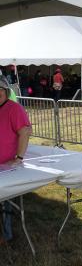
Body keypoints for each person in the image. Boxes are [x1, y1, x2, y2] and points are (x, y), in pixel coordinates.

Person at [0, 75, 32, 244]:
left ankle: (6, 235)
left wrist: (19, 158)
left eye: (0, 90)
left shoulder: (14, 108)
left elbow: (25, 132)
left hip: (5, 166)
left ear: (5, 92)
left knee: (5, 202)